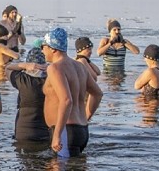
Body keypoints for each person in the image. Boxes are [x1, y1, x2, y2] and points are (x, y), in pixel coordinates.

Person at [42, 28, 103, 157]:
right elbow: (97, 94)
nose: (43, 51)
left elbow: (66, 100)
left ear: (53, 48)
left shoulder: (55, 68)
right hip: (81, 130)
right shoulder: (79, 67)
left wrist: (57, 135)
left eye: (44, 47)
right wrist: (86, 116)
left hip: (65, 131)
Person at [6, 47, 49, 143]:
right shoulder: (51, 81)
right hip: (46, 132)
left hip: (24, 131)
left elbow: (8, 68)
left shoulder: (22, 80)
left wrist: (23, 65)